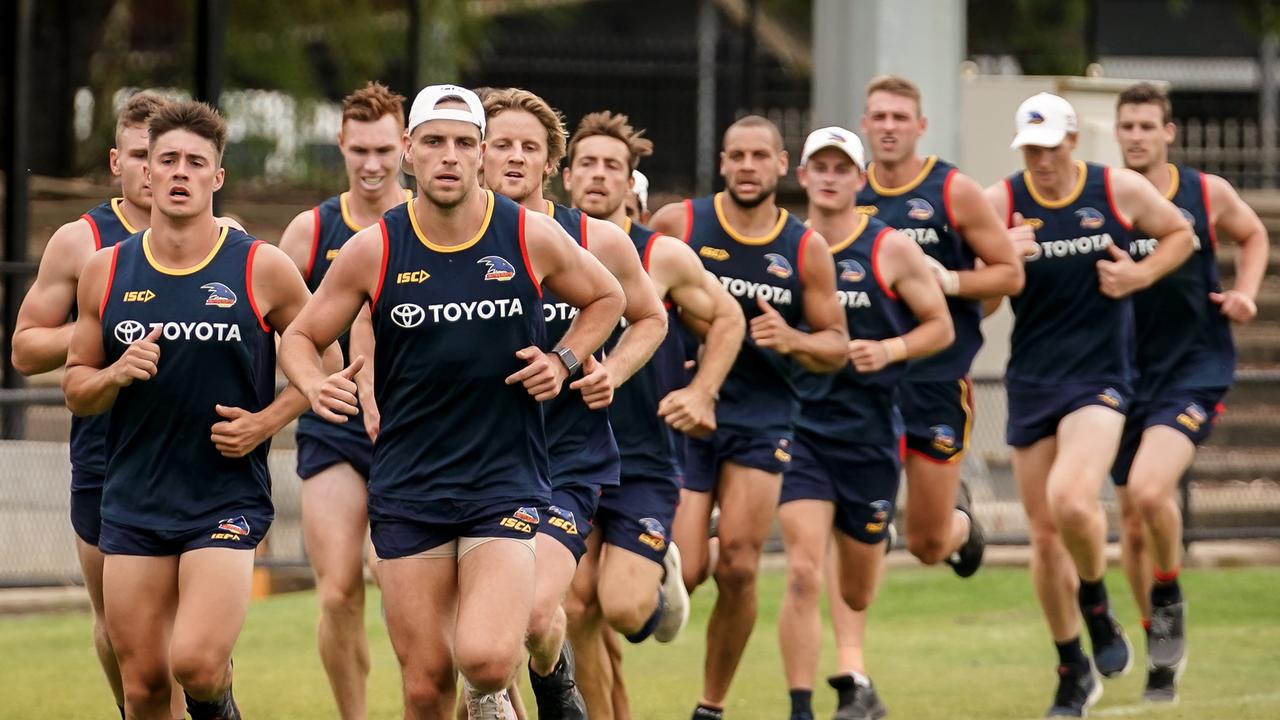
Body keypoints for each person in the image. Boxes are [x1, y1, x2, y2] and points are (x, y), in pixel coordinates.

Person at [278, 84, 625, 720]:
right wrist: (314, 383)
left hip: (505, 480)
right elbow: (300, 334)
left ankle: (535, 682)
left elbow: (608, 299)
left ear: (483, 154)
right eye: (434, 142)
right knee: (424, 686)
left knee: (487, 659)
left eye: (464, 143)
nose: (449, 156)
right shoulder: (375, 247)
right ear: (410, 151)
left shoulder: (526, 234)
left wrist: (564, 359)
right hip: (410, 485)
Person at [62, 100, 320, 720]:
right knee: (145, 689)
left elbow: (325, 360)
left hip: (223, 498)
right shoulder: (106, 270)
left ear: (217, 177)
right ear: (143, 172)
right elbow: (74, 385)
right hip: (133, 499)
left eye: (195, 162)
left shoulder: (261, 266)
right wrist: (115, 374)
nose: (179, 172)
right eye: (166, 159)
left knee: (199, 665)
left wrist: (268, 422)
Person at [11, 90, 235, 720]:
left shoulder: (225, 242)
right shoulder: (81, 243)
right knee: (120, 633)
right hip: (107, 459)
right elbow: (25, 351)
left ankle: (211, 688)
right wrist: (107, 330)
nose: (155, 170)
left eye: (167, 157)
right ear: (119, 161)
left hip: (200, 463)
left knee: (195, 648)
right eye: (143, 156)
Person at [983, 92, 1194, 718]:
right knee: (1045, 541)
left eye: (1051, 147)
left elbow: (1180, 234)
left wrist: (1140, 275)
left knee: (1071, 499)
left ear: (1073, 142)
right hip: (1032, 380)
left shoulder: (1117, 189)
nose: (1041, 161)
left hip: (1102, 378)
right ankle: (1073, 667)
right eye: (1031, 150)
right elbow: (987, 304)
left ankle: (1098, 610)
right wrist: (1005, 263)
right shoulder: (1001, 203)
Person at [649, 114, 849, 720]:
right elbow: (639, 298)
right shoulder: (681, 224)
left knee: (739, 564)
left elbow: (837, 345)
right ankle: (689, 541)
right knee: (689, 568)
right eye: (736, 155)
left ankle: (710, 705)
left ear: (781, 165)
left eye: (759, 156)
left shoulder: (805, 248)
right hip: (687, 412)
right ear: (722, 162)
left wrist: (792, 339)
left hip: (764, 419)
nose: (746, 166)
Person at [480, 88, 668, 720]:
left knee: (532, 614)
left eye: (529, 147)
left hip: (566, 459)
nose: (513, 157)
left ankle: (553, 678)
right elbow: (373, 313)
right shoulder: (439, 240)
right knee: (471, 659)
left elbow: (649, 319)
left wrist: (608, 370)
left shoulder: (596, 240)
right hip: (469, 462)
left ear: (550, 165)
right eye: (501, 144)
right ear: (478, 154)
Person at [559, 110, 746, 720]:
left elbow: (727, 319)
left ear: (630, 182)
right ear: (565, 175)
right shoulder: (538, 245)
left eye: (613, 165)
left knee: (620, 608)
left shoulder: (660, 256)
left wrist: (702, 393)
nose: (598, 174)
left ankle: (659, 564)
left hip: (642, 460)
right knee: (575, 609)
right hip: (561, 458)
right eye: (586, 162)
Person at [779, 126, 953, 720]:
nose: (828, 177)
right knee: (802, 569)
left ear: (860, 179)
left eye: (840, 168)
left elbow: (941, 326)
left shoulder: (889, 248)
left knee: (854, 589)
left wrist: (892, 350)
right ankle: (802, 707)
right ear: (802, 176)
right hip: (800, 431)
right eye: (818, 167)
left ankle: (911, 533)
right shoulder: (785, 246)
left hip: (870, 433)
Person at [1112, 82, 1269, 702]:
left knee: (1152, 489)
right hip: (1122, 374)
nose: (1137, 136)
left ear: (1168, 133)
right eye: (1128, 126)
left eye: (1148, 126)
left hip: (1194, 368)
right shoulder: (1107, 199)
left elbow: (1253, 235)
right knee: (1127, 527)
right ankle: (1159, 648)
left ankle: (1169, 587)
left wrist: (1247, 292)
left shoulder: (1206, 194)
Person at [276, 81, 412, 720]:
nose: (373, 164)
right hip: (333, 427)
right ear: (341, 144)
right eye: (359, 149)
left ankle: (434, 699)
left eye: (384, 148)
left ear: (405, 145)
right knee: (336, 594)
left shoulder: (429, 220)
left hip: (414, 429)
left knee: (402, 585)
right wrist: (284, 406)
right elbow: (271, 327)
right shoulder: (312, 230)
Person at [857, 74, 1023, 576]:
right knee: (853, 526)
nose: (889, 128)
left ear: (921, 126)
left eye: (900, 118)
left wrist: (946, 281)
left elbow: (1009, 273)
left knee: (927, 544)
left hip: (935, 377)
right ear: (865, 125)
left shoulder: (952, 191)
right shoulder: (847, 191)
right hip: (865, 380)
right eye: (880, 117)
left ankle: (962, 525)